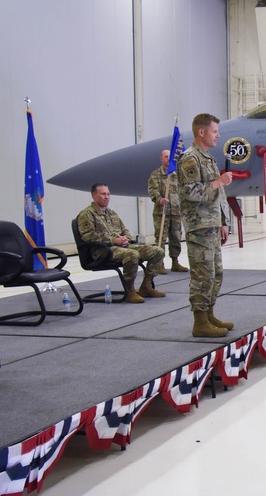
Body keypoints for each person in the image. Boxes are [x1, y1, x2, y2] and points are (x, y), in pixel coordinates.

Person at [178, 113, 234, 338]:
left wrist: (222, 221)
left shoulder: (207, 158)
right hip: (199, 226)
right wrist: (219, 181)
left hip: (211, 225)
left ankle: (209, 314)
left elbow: (217, 194)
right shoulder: (190, 158)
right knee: (203, 275)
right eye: (214, 131)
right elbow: (189, 192)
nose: (218, 135)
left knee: (215, 274)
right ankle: (199, 322)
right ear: (202, 132)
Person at [76, 183, 166, 303]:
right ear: (94, 195)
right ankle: (130, 291)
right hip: (103, 251)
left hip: (121, 246)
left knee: (157, 251)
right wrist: (113, 240)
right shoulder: (86, 214)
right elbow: (88, 236)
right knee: (132, 254)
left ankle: (146, 286)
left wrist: (125, 238)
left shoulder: (111, 213)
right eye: (103, 194)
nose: (106, 197)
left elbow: (125, 230)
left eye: (108, 194)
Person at [148, 148, 188, 274]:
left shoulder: (177, 175)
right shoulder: (155, 175)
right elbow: (152, 190)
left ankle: (175, 262)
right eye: (165, 156)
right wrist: (159, 199)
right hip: (162, 212)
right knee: (160, 238)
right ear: (161, 158)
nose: (167, 159)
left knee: (175, 237)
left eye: (169, 157)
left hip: (176, 212)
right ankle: (159, 263)